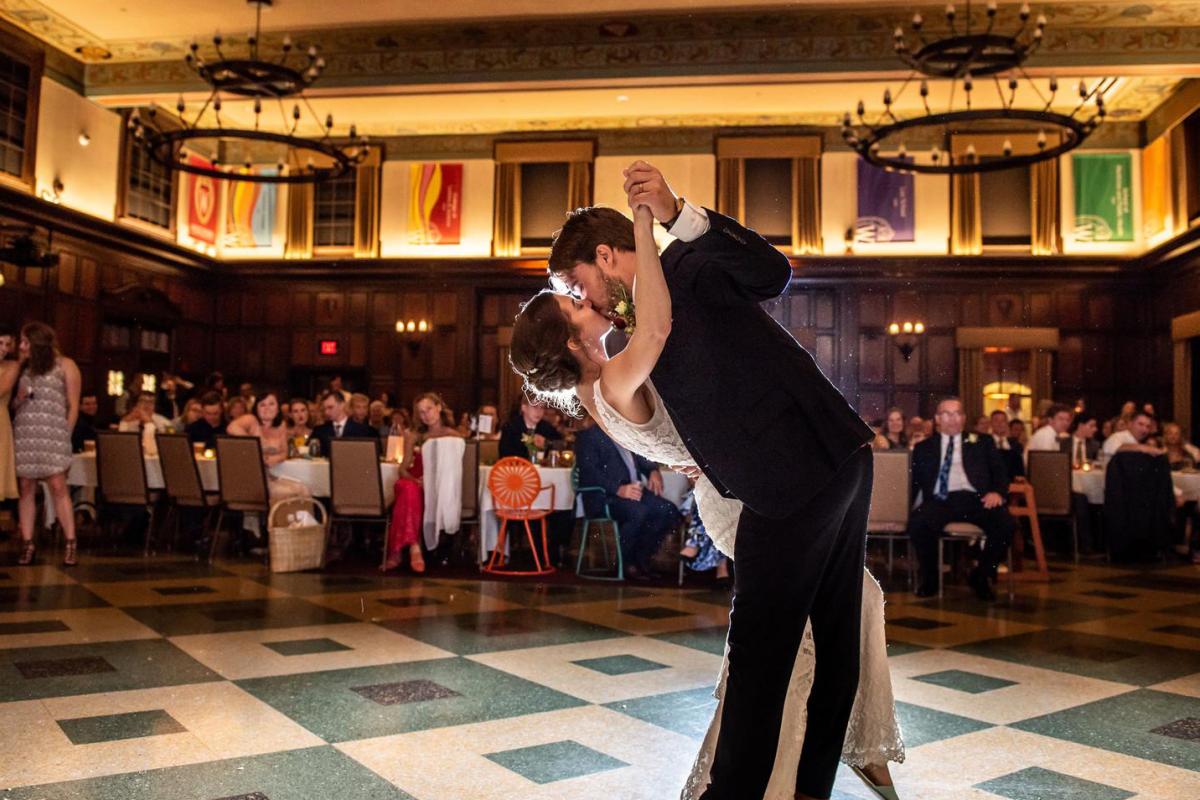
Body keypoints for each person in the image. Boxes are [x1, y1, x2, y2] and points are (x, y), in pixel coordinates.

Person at [514, 161, 896, 800]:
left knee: (788, 645)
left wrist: (669, 216)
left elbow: (772, 274)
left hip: (797, 466)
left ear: (605, 257)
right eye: (573, 300)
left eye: (578, 287)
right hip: (785, 474)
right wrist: (700, 457)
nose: (588, 301)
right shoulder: (622, 355)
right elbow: (676, 393)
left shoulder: (687, 266)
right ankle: (804, 788)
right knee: (813, 640)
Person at [907, 397, 1010, 602]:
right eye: (946, 414)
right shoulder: (924, 447)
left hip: (976, 499)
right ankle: (931, 579)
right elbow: (913, 483)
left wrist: (998, 492)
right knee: (918, 523)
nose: (952, 419)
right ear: (937, 419)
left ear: (963, 418)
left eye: (957, 414)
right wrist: (904, 508)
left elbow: (1000, 472)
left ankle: (981, 576)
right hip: (940, 500)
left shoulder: (982, 442)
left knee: (1006, 524)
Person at [13, 322, 81, 566]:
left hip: (54, 434)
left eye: (25, 342)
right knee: (26, 487)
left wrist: (65, 433)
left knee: (58, 486)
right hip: (25, 433)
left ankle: (70, 542)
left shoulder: (66, 365)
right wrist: (19, 399)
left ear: (38, 342)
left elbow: (73, 405)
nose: (21, 346)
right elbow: (13, 405)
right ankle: (28, 544)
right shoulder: (23, 368)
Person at [576, 421, 679, 580]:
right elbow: (589, 473)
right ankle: (626, 563)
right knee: (638, 511)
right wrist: (618, 489)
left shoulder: (626, 433)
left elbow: (643, 456)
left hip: (633, 492)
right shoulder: (590, 436)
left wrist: (653, 470)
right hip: (604, 497)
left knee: (667, 510)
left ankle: (642, 560)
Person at [381, 392, 464, 573]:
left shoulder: (453, 435)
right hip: (414, 480)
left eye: (429, 409)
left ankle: (398, 552)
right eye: (421, 412)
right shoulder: (414, 435)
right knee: (408, 489)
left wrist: (432, 483)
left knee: (410, 494)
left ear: (438, 407)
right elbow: (403, 469)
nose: (426, 415)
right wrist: (415, 481)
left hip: (439, 486)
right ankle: (414, 548)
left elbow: (454, 470)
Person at [227, 391, 310, 501]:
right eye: (262, 405)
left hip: (269, 476)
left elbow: (284, 452)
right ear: (256, 408)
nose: (267, 408)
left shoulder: (281, 425)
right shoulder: (251, 420)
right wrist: (253, 447)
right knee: (298, 492)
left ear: (277, 408)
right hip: (252, 480)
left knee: (304, 488)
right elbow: (231, 428)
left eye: (271, 404)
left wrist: (275, 458)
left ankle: (293, 513)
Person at [309, 390, 375, 456]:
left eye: (330, 407)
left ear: (342, 405)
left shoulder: (363, 431)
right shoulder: (319, 431)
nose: (326, 412)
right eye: (325, 409)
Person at [499, 396, 563, 460]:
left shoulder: (546, 427)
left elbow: (562, 444)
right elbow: (506, 455)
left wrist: (546, 443)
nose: (539, 411)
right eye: (535, 406)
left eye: (542, 407)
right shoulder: (510, 428)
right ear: (524, 407)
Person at [0, 354, 19, 506]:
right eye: (1, 343)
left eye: (7, 344)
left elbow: (1, 389)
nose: (3, 348)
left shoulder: (12, 366)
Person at [989, 409, 1024, 479]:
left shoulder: (1015, 444)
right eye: (996, 421)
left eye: (1003, 421)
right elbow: (969, 438)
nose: (999, 424)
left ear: (1006, 424)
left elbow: (1020, 469)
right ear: (991, 423)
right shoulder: (985, 442)